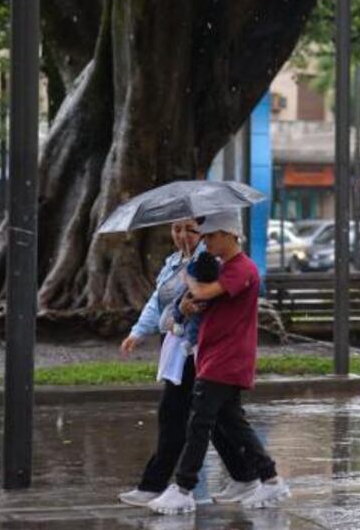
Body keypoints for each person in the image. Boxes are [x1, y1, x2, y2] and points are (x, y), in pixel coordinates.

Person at [118, 219, 265, 508]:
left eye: (192, 230)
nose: (183, 235)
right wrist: (139, 331)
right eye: (176, 229)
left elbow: (204, 303)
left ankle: (163, 485)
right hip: (179, 347)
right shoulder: (175, 261)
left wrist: (183, 306)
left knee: (177, 416)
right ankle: (247, 477)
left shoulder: (209, 263)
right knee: (220, 420)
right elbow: (157, 301)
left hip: (196, 351)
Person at [148, 210, 287, 515]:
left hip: (227, 358)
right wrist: (186, 301)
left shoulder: (242, 268)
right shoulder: (223, 268)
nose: (205, 242)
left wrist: (187, 272)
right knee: (234, 424)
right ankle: (269, 477)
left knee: (199, 422)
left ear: (229, 234)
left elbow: (203, 291)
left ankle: (183, 487)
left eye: (210, 236)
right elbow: (196, 302)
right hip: (212, 355)